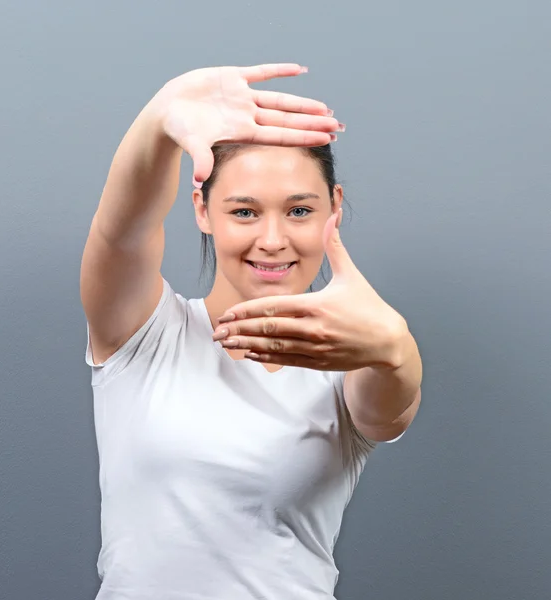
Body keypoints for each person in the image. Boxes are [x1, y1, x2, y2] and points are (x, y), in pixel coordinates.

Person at [80, 63, 423, 600]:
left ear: (333, 208)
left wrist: (397, 349)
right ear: (203, 209)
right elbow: (120, 233)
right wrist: (159, 118)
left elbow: (390, 407)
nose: (271, 239)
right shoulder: (145, 335)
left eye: (299, 210)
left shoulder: (353, 356)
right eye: (244, 211)